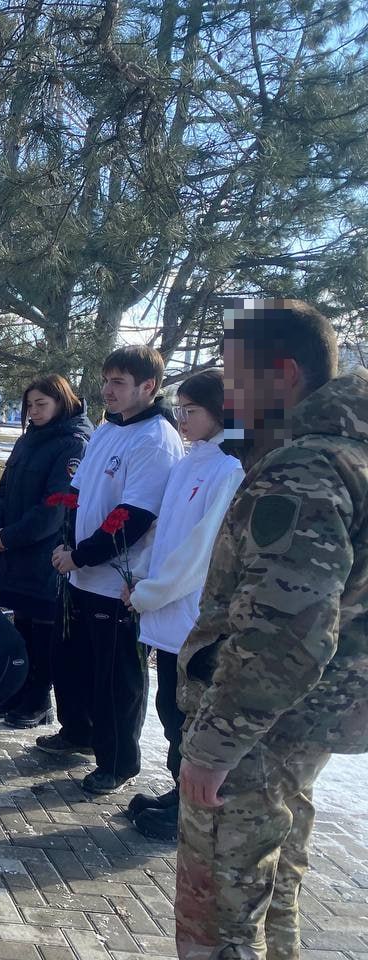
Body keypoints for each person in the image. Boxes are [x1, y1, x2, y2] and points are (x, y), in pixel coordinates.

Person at [175, 300, 368, 959]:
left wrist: (214, 745)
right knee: (274, 889)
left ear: (284, 375)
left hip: (263, 729)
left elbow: (285, 634)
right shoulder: (350, 454)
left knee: (222, 917)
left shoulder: (306, 471)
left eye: (235, 376)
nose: (227, 394)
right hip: (309, 722)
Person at [44, 345, 183, 794]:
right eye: (106, 380)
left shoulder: (156, 439)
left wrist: (82, 555)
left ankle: (119, 760)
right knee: (77, 663)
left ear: (149, 387)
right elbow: (79, 491)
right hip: (81, 572)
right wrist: (68, 544)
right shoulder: (109, 428)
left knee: (115, 676)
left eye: (119, 382)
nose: (108, 390)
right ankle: (79, 731)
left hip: (117, 580)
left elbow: (135, 516)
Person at [117, 369, 242, 842]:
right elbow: (164, 532)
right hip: (166, 612)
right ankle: (179, 790)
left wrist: (150, 591)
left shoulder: (229, 468)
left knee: (191, 713)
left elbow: (198, 551)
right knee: (172, 709)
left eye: (192, 411)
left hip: (193, 614)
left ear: (221, 411)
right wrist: (143, 580)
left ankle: (195, 812)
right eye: (181, 410)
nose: (182, 420)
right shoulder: (192, 461)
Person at [0, 374, 92, 729]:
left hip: (45, 555)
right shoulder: (29, 439)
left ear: (61, 402)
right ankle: (18, 690)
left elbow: (55, 507)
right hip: (17, 551)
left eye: (41, 405)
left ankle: (37, 700)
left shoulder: (73, 443)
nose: (33, 412)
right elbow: (3, 488)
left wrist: (11, 536)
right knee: (23, 626)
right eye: (29, 405)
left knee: (44, 632)